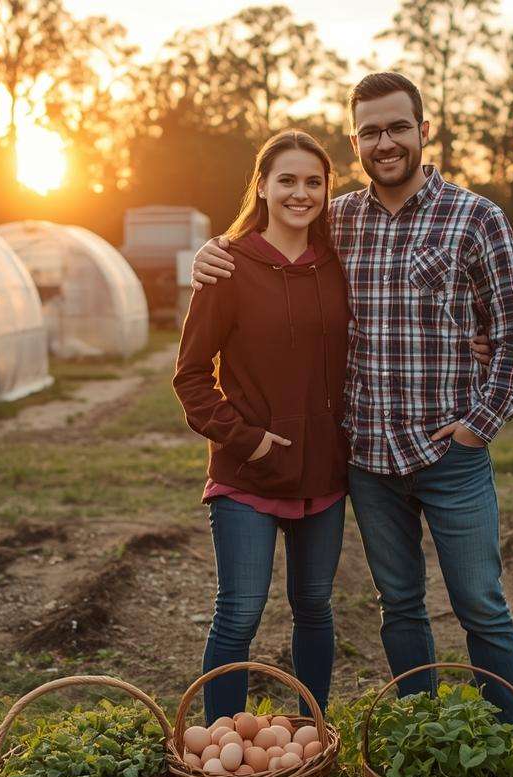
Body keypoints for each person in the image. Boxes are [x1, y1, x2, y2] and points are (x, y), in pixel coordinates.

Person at [192, 73, 513, 721]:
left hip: (451, 457)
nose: (386, 142)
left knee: (479, 604)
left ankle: (511, 741)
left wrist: (476, 426)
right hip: (369, 461)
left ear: (423, 131)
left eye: (398, 127)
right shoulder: (341, 220)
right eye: (371, 131)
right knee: (401, 605)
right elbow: (271, 248)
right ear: (356, 141)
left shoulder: (475, 217)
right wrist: (212, 253)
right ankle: (421, 731)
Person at [173, 131, 349, 723]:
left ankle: (312, 733)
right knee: (240, 611)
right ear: (264, 188)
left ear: (327, 190)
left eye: (313, 182)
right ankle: (217, 742)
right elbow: (191, 378)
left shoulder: (340, 263)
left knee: (315, 605)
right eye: (287, 181)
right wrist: (248, 438)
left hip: (323, 473)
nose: (300, 193)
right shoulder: (229, 266)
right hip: (247, 474)